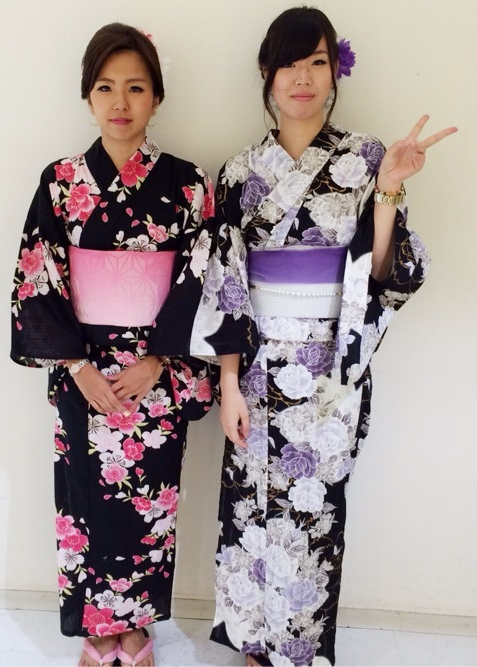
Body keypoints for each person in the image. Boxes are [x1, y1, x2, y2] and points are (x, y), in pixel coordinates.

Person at [191, 6, 457, 667]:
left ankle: (300, 650)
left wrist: (387, 191)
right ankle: (256, 643)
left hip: (330, 365)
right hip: (256, 366)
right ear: (266, 72)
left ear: (336, 71)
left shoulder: (366, 158)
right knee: (250, 508)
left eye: (317, 62)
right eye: (289, 63)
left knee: (314, 511)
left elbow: (382, 269)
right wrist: (228, 383)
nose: (303, 78)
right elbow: (225, 283)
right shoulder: (238, 172)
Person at [10, 23, 214, 667]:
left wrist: (159, 361)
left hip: (157, 371)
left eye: (136, 87)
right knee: (85, 501)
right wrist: (75, 365)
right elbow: (38, 273)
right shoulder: (60, 181)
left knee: (150, 502)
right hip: (84, 371)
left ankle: (136, 627)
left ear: (157, 97)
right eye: (105, 87)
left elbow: (204, 277)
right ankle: (98, 629)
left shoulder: (186, 184)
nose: (120, 102)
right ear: (87, 96)